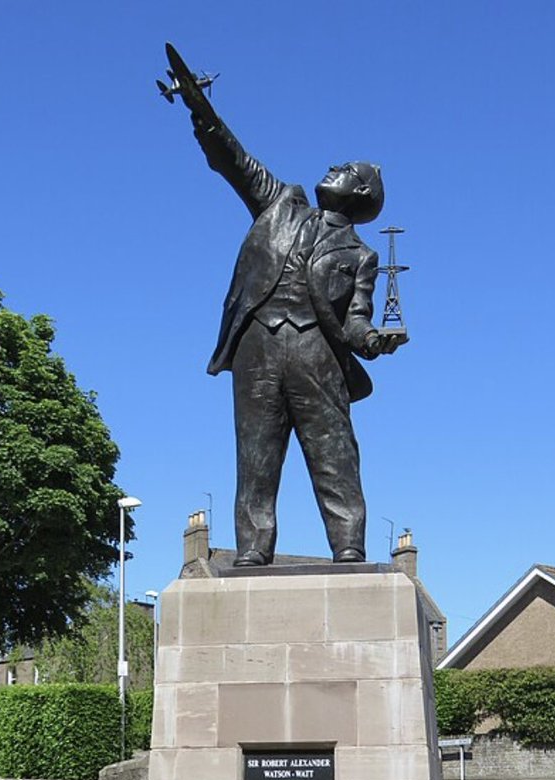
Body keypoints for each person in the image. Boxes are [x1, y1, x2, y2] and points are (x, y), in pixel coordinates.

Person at [167, 45, 405, 565]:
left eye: (344, 169)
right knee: (255, 456)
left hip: (317, 352)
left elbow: (357, 318)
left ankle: (348, 547)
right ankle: (253, 550)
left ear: (359, 190)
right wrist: (199, 111)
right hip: (258, 346)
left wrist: (374, 341)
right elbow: (236, 160)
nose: (332, 169)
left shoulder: (360, 256)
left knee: (333, 452)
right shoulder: (280, 204)